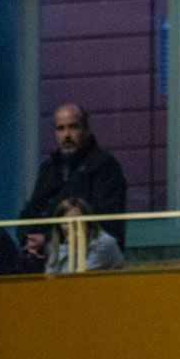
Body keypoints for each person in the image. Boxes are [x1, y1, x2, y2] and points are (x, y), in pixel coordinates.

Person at [21, 104, 128, 257]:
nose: (67, 135)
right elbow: (33, 208)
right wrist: (28, 238)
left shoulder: (106, 167)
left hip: (91, 256)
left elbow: (104, 221)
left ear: (86, 130)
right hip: (48, 257)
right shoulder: (49, 167)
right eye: (61, 128)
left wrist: (47, 239)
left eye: (73, 127)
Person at [32, 197, 125, 273]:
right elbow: (50, 276)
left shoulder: (103, 243)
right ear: (59, 225)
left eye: (78, 222)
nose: (72, 227)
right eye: (66, 223)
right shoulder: (56, 244)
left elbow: (77, 278)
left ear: (88, 222)